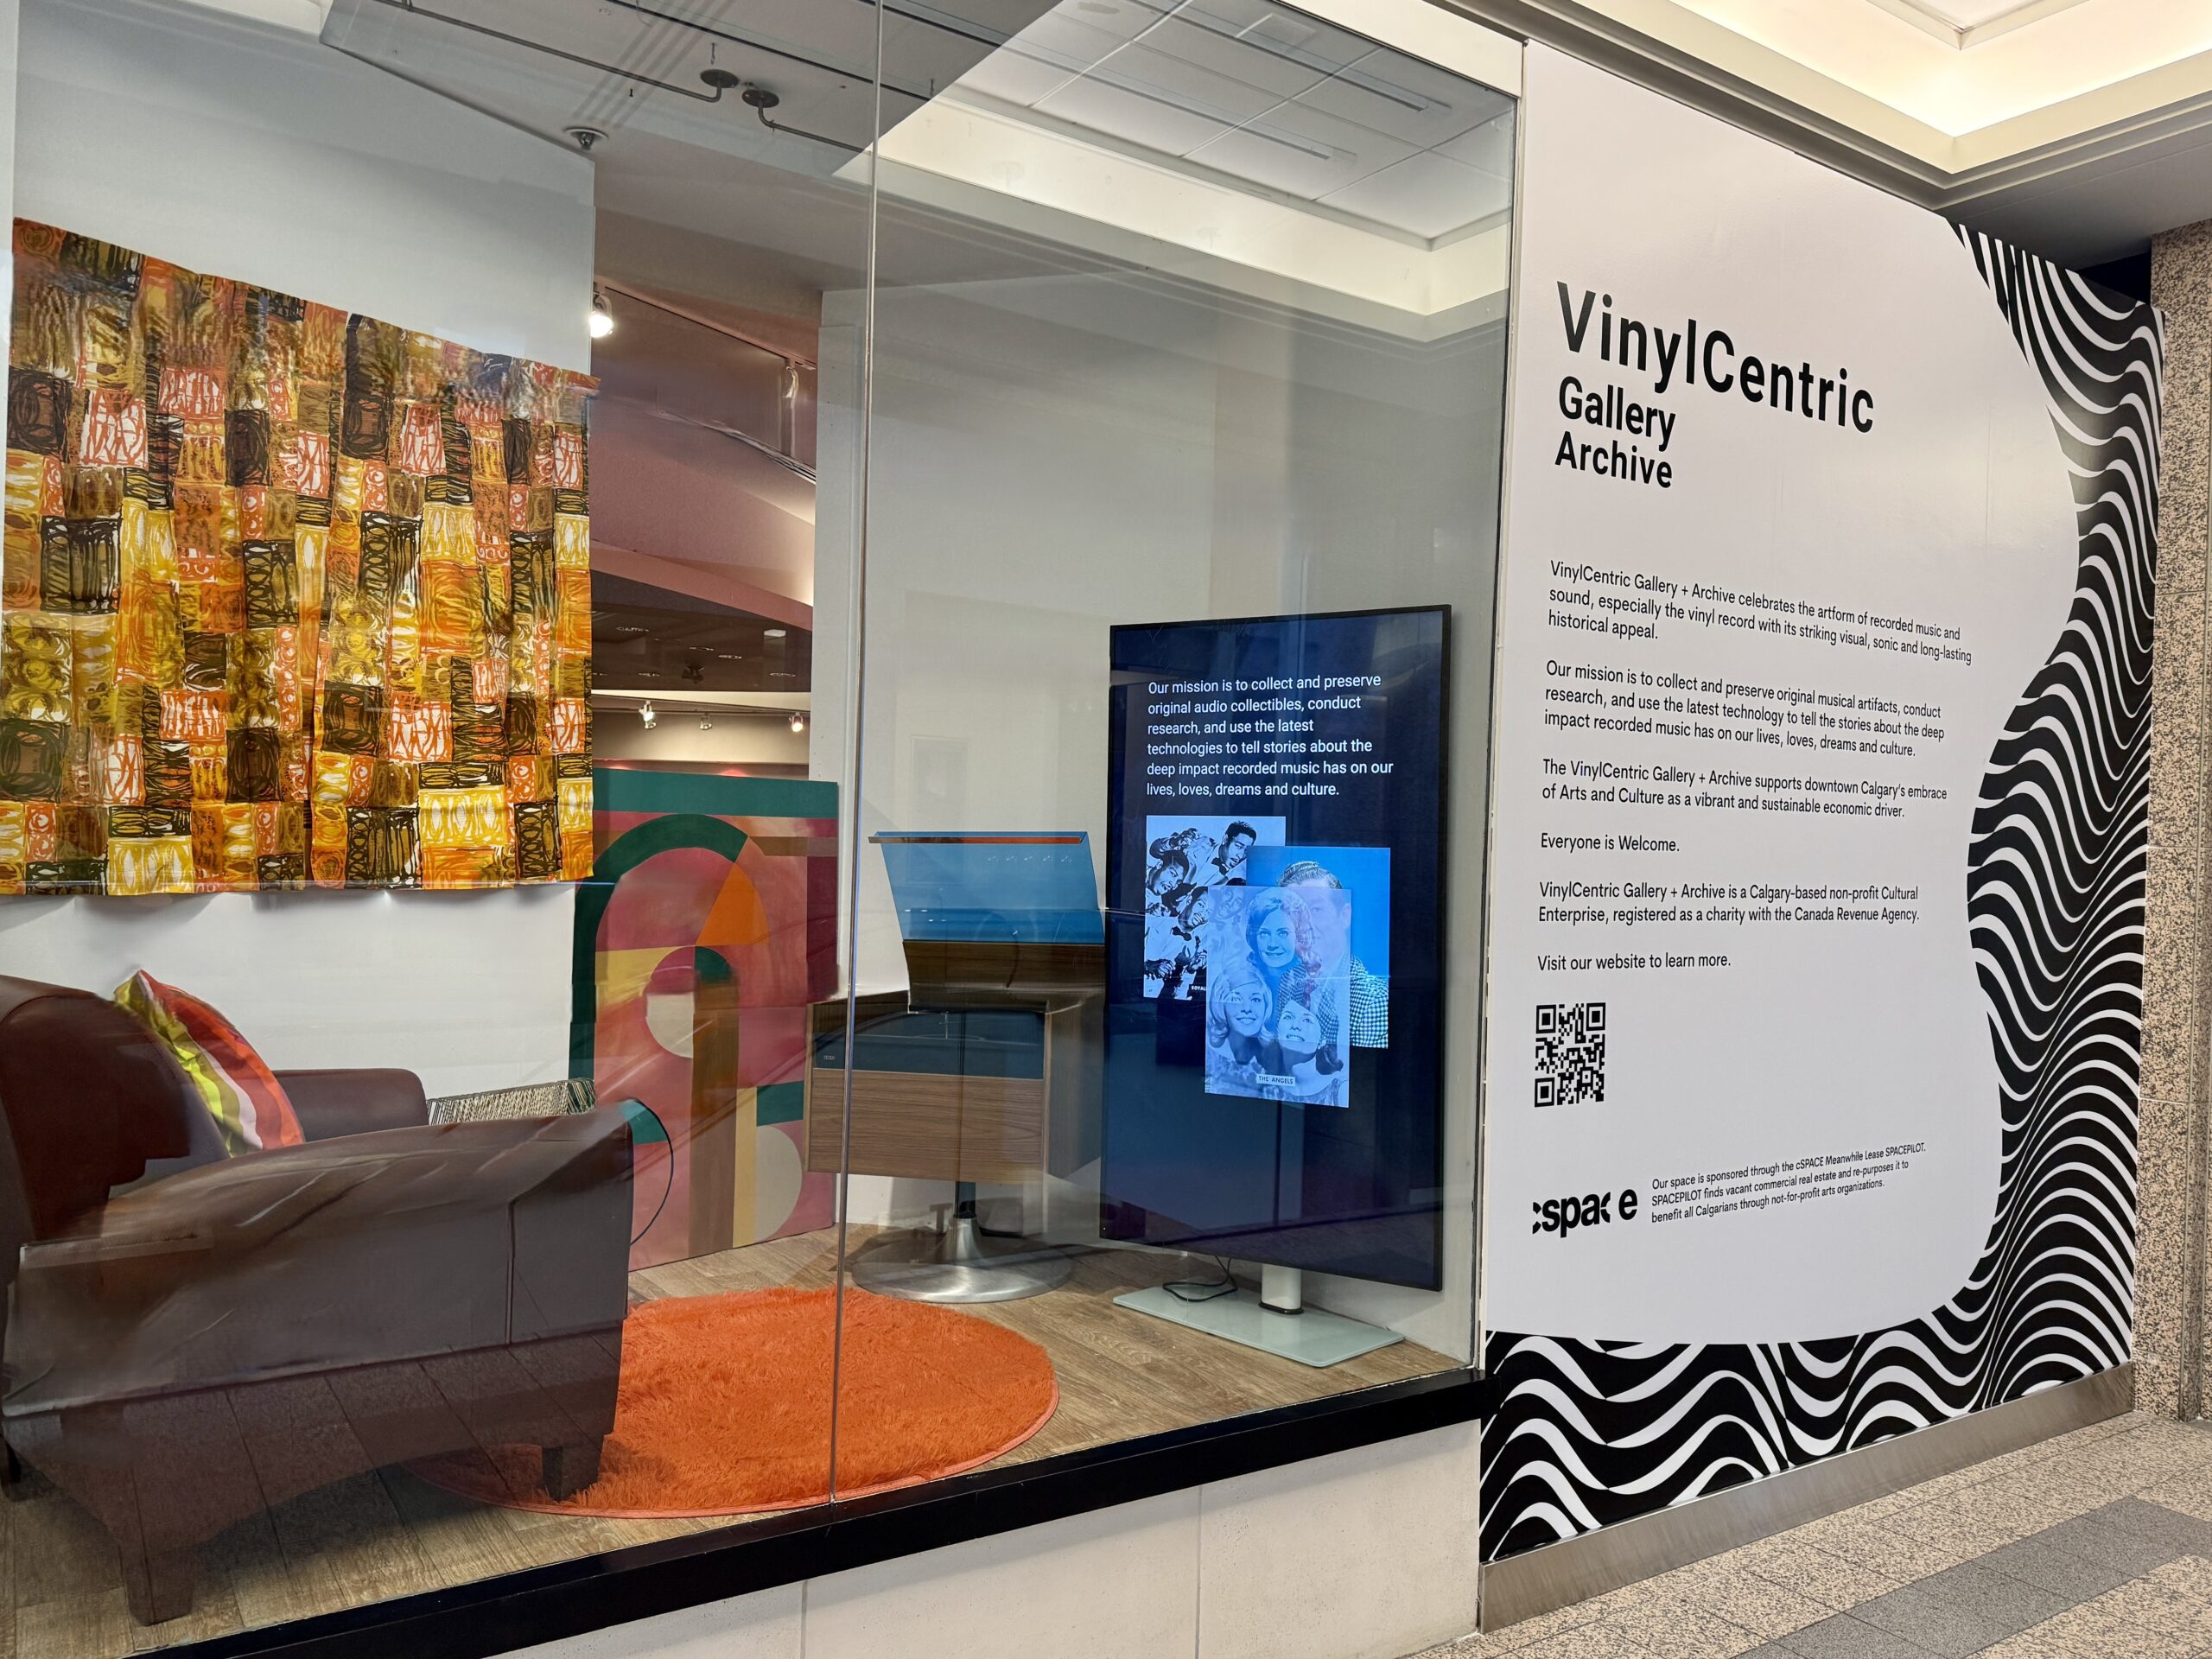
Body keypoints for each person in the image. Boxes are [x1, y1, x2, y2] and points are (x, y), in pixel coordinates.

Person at [1275, 859, 1388, 1047]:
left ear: (1344, 916)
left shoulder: (1374, 1001)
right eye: (1293, 913)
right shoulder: (1288, 980)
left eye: (1316, 909)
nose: (1304, 925)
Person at [1205, 953, 1284, 1096]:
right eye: (1236, 999)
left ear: (1266, 1006)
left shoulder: (1281, 1056)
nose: (1247, 1008)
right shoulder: (1208, 1057)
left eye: (1256, 1000)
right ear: (1220, 1005)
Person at [1268, 989, 1345, 1106]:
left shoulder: (1340, 1090)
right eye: (1288, 1017)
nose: (1295, 1025)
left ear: (1323, 1040)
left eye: (1307, 1020)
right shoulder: (1260, 1077)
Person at [1242, 888, 1306, 1007]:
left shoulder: (1314, 985)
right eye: (1264, 934)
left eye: (1283, 933)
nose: (1272, 944)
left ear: (1299, 936)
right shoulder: (1242, 980)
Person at [1210, 821, 1259, 887]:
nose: (1241, 856)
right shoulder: (1199, 849)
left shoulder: (1242, 876)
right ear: (1225, 839)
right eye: (1238, 846)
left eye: (1246, 851)